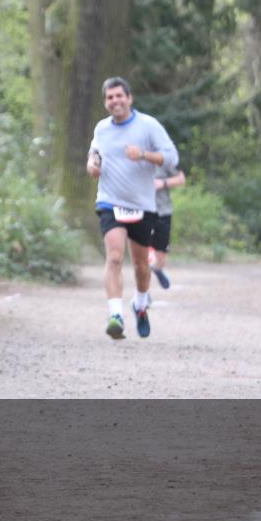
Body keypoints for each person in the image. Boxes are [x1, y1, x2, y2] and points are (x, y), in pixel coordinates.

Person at [86, 77, 178, 340]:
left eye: (119, 96)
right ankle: (115, 314)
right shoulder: (102, 129)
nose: (115, 101)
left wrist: (144, 155)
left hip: (141, 204)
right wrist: (92, 165)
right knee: (114, 257)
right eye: (109, 97)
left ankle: (139, 304)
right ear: (105, 102)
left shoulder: (148, 126)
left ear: (129, 98)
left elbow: (171, 158)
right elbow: (94, 155)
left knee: (140, 265)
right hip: (109, 201)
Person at [150, 163, 186, 289]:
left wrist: (162, 183)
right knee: (143, 254)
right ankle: (143, 294)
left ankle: (157, 269)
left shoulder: (164, 157)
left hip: (163, 211)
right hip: (141, 211)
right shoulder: (132, 155)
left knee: (160, 257)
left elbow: (181, 179)